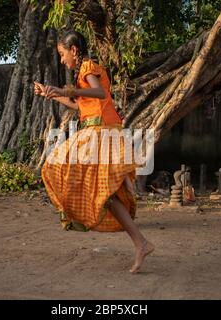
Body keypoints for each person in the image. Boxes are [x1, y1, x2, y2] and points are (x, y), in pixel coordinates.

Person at [34, 30, 154, 273]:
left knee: (53, 165)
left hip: (102, 130)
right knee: (105, 194)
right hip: (96, 129)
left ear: (74, 51)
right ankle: (141, 242)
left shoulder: (88, 66)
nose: (61, 59)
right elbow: (81, 106)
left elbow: (99, 93)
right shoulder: (82, 73)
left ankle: (126, 183)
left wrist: (69, 90)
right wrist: (55, 94)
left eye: (62, 54)